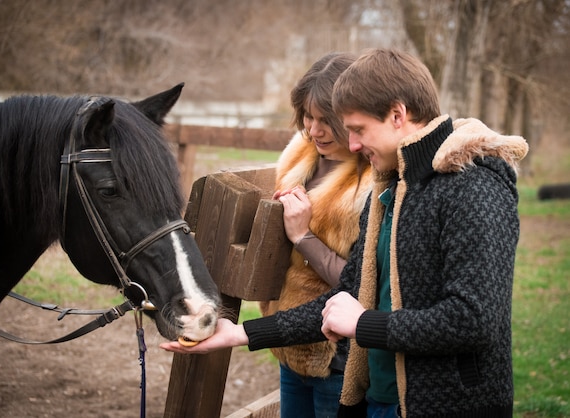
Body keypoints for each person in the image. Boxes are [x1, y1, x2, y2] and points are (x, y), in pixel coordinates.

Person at [161, 48, 529, 418]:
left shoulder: (474, 187)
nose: (351, 145)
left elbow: (474, 321)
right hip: (380, 400)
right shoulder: (393, 187)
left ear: (398, 115)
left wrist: (362, 323)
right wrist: (242, 334)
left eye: (358, 130)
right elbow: (348, 297)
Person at [261, 52, 372, 418]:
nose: (313, 130)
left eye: (327, 121)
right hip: (288, 342)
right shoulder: (297, 156)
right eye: (307, 116)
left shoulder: (371, 182)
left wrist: (302, 235)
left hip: (336, 357)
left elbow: (360, 283)